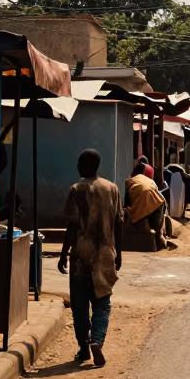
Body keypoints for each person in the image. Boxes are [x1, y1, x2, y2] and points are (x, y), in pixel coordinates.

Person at [58, 149, 122, 367]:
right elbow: (118, 223)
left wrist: (63, 253)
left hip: (80, 257)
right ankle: (97, 339)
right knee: (102, 302)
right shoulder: (112, 189)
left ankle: (84, 347)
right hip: (105, 254)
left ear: (86, 164)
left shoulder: (76, 190)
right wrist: (119, 253)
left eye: (79, 162)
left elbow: (72, 226)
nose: (77, 166)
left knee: (79, 305)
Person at [124, 159, 167, 248]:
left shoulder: (129, 180)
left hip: (143, 204)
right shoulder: (150, 180)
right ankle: (161, 239)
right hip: (157, 203)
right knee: (157, 228)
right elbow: (158, 194)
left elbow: (128, 201)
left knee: (137, 220)